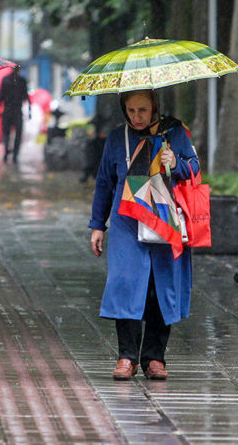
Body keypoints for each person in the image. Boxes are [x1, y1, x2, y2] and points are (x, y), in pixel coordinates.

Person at [88, 89, 199, 381]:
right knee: (125, 284)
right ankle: (127, 356)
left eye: (143, 110)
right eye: (131, 111)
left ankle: (154, 357)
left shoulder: (175, 132)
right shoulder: (116, 138)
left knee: (160, 287)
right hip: (126, 221)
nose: (137, 117)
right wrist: (98, 225)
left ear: (154, 107)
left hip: (164, 219)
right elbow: (104, 183)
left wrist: (176, 163)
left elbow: (194, 167)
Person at [0, 66, 28, 163]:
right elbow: (25, 96)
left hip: (7, 111)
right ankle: (15, 155)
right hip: (18, 111)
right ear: (19, 70)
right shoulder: (22, 81)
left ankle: (6, 152)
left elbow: (1, 95)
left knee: (6, 133)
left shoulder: (5, 80)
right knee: (18, 133)